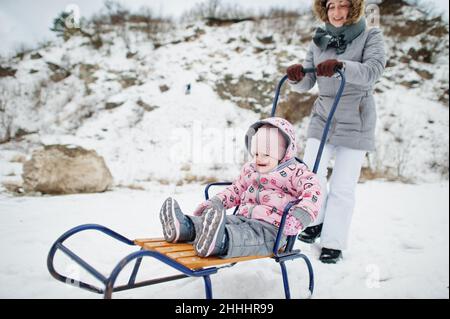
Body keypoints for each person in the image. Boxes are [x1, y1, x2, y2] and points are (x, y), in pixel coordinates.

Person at [286, 0, 386, 263]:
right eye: (331, 6)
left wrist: (341, 65)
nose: (337, 12)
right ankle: (316, 221)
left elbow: (373, 72)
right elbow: (307, 82)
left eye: (343, 5)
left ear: (353, 8)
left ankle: (333, 242)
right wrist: (297, 77)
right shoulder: (319, 40)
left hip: (356, 118)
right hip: (323, 116)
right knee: (310, 173)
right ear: (325, 10)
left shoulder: (370, 35)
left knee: (342, 186)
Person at [159, 117, 322, 258]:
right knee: (224, 222)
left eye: (266, 154)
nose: (259, 159)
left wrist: (299, 217)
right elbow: (236, 189)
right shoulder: (251, 168)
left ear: (283, 153)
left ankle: (221, 241)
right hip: (243, 218)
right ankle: (185, 227)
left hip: (272, 230)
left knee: (245, 236)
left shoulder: (296, 172)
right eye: (256, 153)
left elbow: (314, 191)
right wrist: (215, 202)